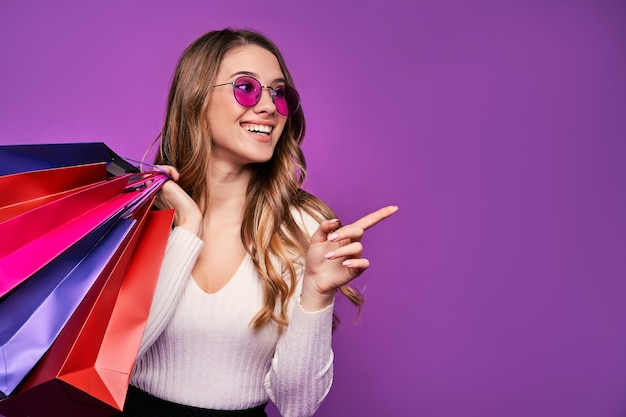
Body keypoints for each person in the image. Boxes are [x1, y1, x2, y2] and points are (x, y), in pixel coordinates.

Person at [121, 28, 397, 417]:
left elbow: (297, 405)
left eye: (278, 93)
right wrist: (187, 226)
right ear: (197, 98)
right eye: (246, 88)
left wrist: (317, 293)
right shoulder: (137, 212)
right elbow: (116, 362)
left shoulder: (304, 227)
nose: (268, 106)